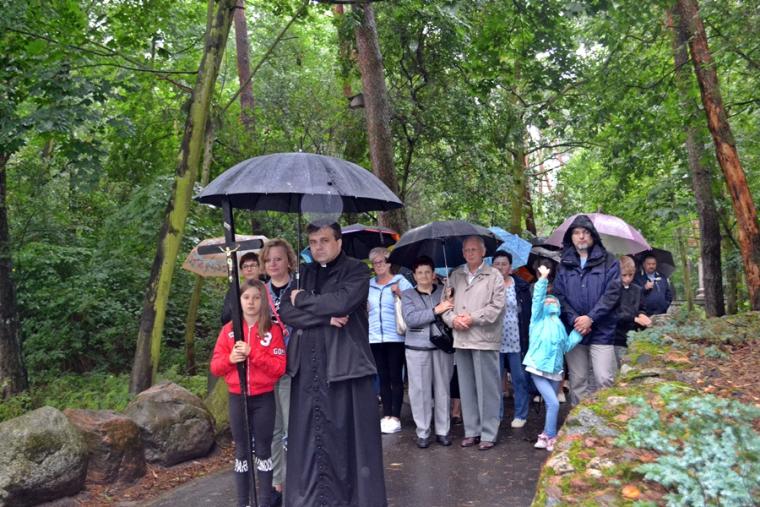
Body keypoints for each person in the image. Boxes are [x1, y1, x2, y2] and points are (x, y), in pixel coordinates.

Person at [278, 222, 386, 507]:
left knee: (346, 440)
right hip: (308, 368)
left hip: (346, 366)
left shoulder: (357, 270)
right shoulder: (304, 273)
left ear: (338, 242)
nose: (318, 247)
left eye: (324, 240)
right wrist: (325, 318)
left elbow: (342, 303)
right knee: (310, 439)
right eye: (313, 242)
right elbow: (286, 311)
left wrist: (303, 299)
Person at [210, 279, 286, 507]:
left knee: (263, 451)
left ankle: (264, 501)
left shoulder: (272, 330)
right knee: (242, 452)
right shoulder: (228, 331)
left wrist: (253, 353)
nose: (251, 302)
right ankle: (243, 502)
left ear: (263, 300)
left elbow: (279, 367)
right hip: (238, 397)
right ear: (239, 301)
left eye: (256, 297)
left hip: (264, 398)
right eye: (246, 297)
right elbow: (215, 367)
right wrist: (231, 359)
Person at [442, 236, 506, 451]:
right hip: (461, 340)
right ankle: (471, 431)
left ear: (483, 252)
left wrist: (472, 318)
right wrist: (453, 319)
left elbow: (497, 307)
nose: (469, 253)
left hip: (484, 339)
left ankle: (488, 433)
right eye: (466, 250)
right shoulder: (455, 276)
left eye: (474, 250)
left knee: (487, 389)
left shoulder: (494, 275)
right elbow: (445, 305)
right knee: (467, 388)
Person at [553, 215, 621, 406]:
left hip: (602, 330)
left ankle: (607, 419)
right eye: (576, 233)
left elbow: (612, 294)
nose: (581, 236)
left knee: (604, 378)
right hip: (574, 331)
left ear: (593, 236)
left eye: (585, 232)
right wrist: (575, 319)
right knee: (578, 381)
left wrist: (591, 318)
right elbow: (559, 295)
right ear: (571, 237)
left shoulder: (609, 261)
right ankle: (580, 421)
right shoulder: (564, 264)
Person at [523, 265, 583, 452]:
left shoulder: (560, 326)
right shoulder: (537, 319)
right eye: (547, 300)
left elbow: (566, 345)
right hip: (537, 367)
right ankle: (550, 436)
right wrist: (543, 279)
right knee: (554, 403)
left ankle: (545, 435)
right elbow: (538, 298)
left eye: (553, 300)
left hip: (555, 370)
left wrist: (579, 333)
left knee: (552, 405)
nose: (550, 301)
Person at [401, 255, 455, 448]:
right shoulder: (407, 295)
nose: (424, 276)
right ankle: (423, 432)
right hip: (417, 350)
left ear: (433, 274)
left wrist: (450, 299)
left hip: (442, 347)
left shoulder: (442, 292)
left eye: (427, 272)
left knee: (443, 390)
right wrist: (435, 310)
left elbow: (450, 314)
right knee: (420, 392)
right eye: (420, 272)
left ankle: (443, 431)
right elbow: (411, 319)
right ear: (414, 275)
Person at [260, 238, 298, 505]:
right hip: (265, 366)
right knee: (271, 428)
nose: (273, 264)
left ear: (288, 261)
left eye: (278, 259)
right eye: (268, 260)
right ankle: (276, 481)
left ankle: (297, 477)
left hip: (293, 365)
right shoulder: (259, 292)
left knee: (292, 426)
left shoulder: (298, 288)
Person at [367, 247, 413, 434]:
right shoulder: (369, 285)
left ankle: (396, 416)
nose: (378, 265)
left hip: (396, 336)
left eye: (382, 261)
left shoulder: (401, 281)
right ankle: (386, 415)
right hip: (375, 337)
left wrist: (400, 294)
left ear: (389, 263)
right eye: (375, 262)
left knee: (395, 376)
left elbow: (413, 303)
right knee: (382, 376)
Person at [491, 251, 532, 428]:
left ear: (510, 267)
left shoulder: (520, 286)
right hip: (494, 340)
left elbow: (529, 313)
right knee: (495, 380)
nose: (500, 267)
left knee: (519, 378)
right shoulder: (488, 286)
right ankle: (496, 415)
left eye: (504, 264)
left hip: (517, 339)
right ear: (492, 266)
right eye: (497, 264)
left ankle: (521, 414)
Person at [615, 256, 652, 367]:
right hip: (617, 336)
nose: (627, 279)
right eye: (624, 275)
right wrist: (634, 318)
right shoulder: (613, 290)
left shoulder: (637, 289)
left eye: (630, 275)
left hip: (634, 334)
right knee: (620, 365)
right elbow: (615, 313)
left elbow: (642, 307)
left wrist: (642, 315)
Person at [221, 252, 262, 325]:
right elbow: (225, 318)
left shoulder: (268, 289)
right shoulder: (235, 290)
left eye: (253, 265)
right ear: (241, 271)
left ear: (260, 268)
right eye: (245, 266)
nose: (249, 269)